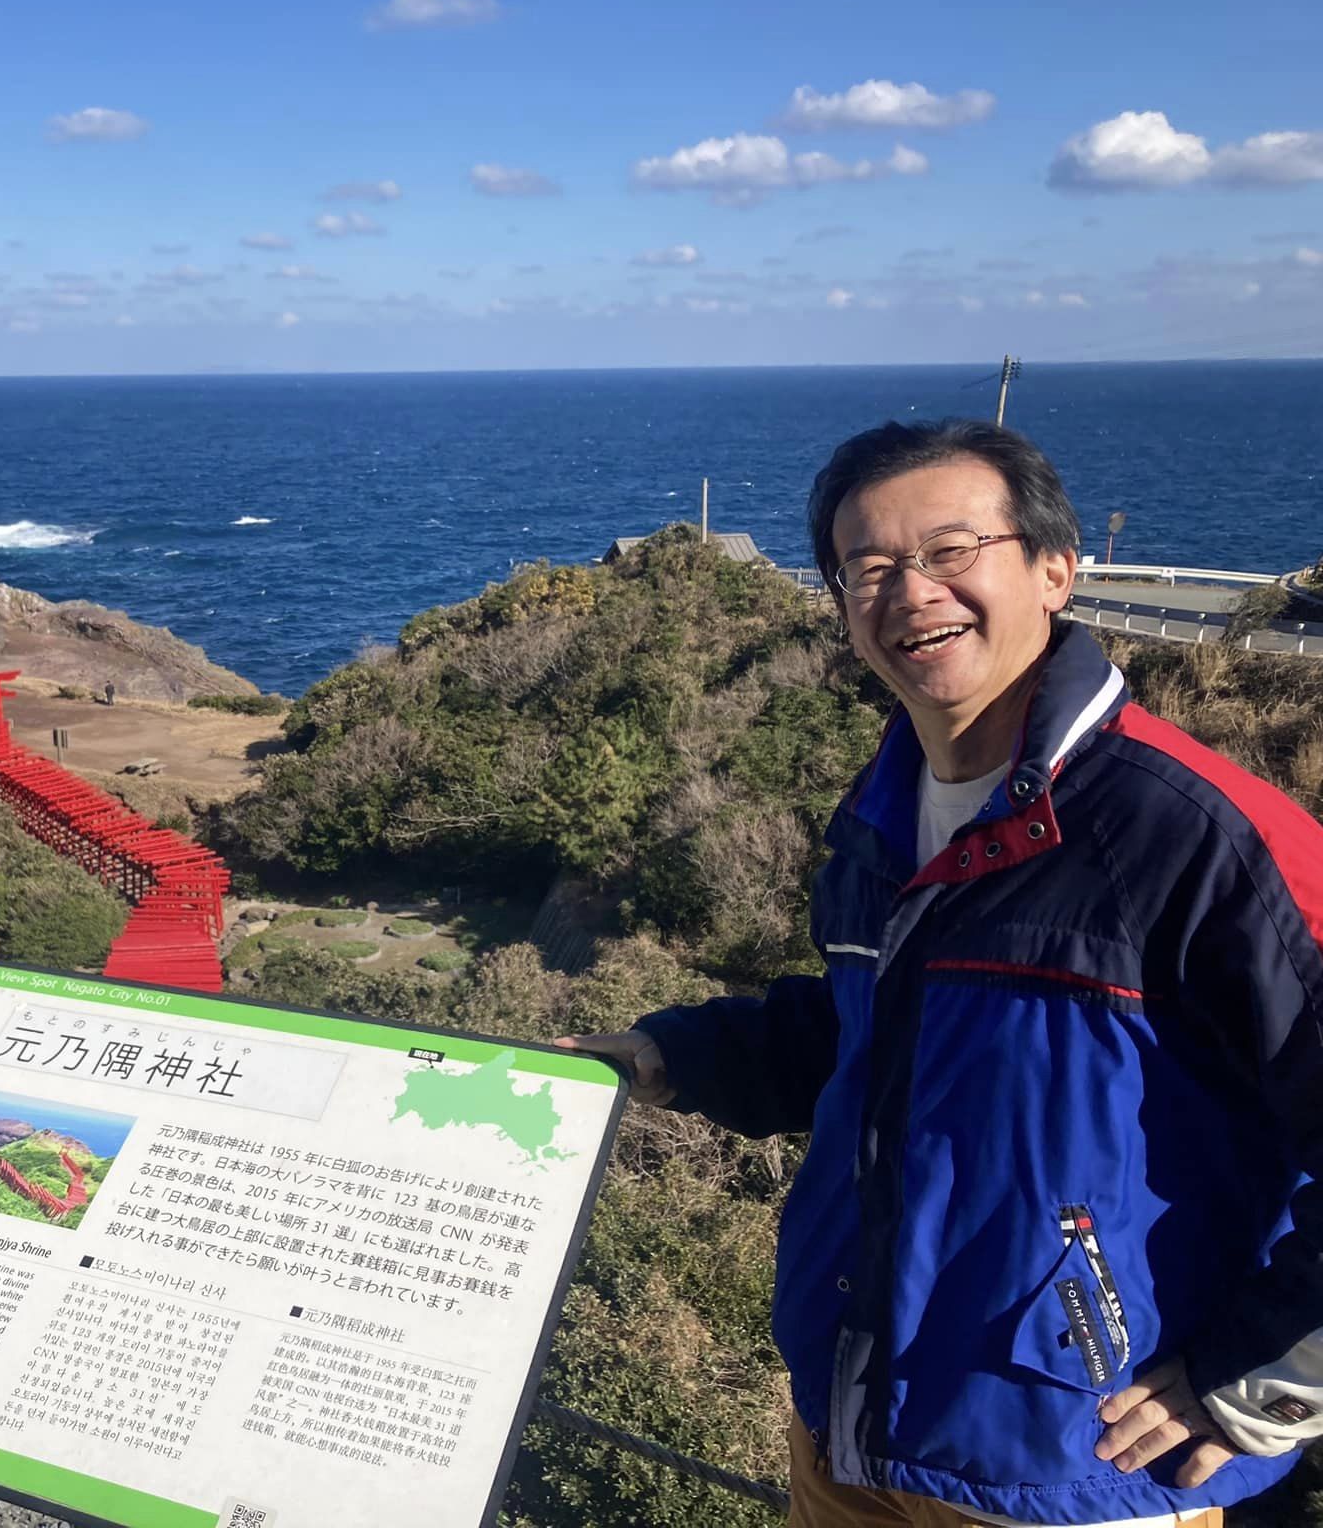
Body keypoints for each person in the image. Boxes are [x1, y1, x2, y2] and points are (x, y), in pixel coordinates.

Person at [559, 419, 1323, 1527]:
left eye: (951, 551)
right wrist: (678, 1054)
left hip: (1076, 1470)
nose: (911, 593)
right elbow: (879, 1032)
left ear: (1054, 570)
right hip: (852, 1433)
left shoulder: (1194, 831)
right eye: (866, 568)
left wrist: (1256, 1381)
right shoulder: (882, 809)